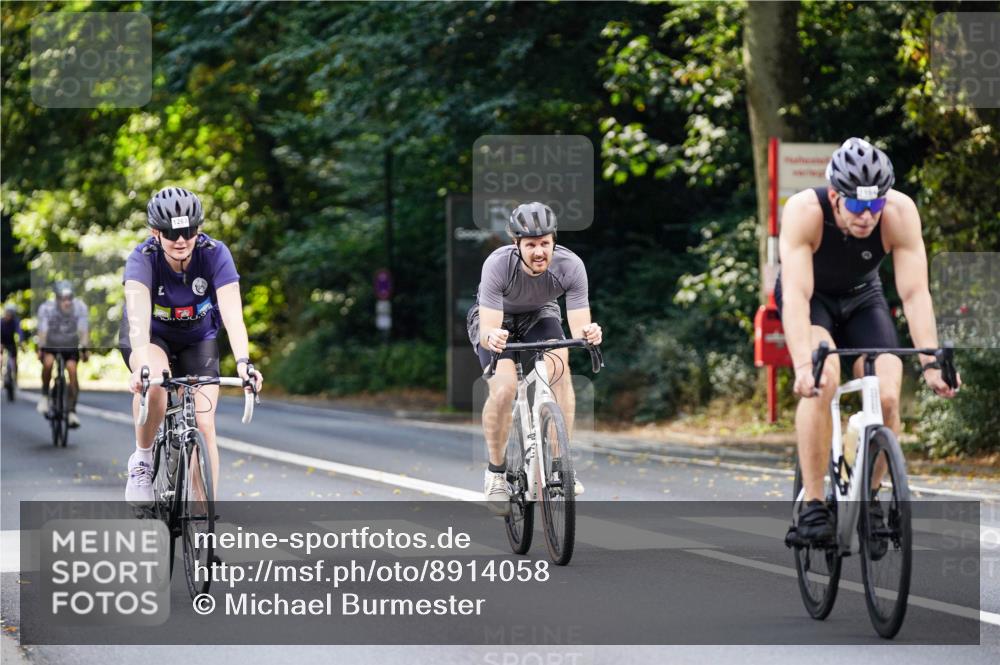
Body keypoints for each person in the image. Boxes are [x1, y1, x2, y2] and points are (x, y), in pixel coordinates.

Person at [777, 137, 960, 542]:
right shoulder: (805, 212)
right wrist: (804, 366)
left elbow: (915, 294)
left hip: (863, 299)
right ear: (835, 197)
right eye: (857, 206)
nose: (867, 216)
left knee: (888, 395)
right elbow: (796, 296)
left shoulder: (899, 212)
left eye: (875, 204)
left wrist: (931, 364)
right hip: (813, 301)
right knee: (823, 379)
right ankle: (813, 505)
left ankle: (871, 499)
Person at [120, 186, 263, 504]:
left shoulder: (214, 253)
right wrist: (142, 366)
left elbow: (233, 316)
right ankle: (142, 460)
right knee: (156, 385)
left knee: (204, 422)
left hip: (198, 338)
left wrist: (244, 363)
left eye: (189, 231)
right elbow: (138, 320)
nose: (181, 240)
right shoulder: (143, 259)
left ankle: (204, 517)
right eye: (172, 233)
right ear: (156, 232)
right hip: (152, 336)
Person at [467, 202, 602, 515]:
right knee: (504, 389)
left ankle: (560, 466)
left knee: (560, 368)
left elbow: (579, 327)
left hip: (540, 314)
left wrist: (589, 332)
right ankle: (496, 473)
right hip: (495, 318)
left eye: (544, 243)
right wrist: (493, 337)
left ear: (554, 241)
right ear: (517, 244)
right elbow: (488, 328)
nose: (539, 251)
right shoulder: (498, 264)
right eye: (530, 245)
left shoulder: (571, 265)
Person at [36, 281, 89, 427]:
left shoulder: (79, 307)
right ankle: (45, 396)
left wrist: (85, 349)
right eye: (63, 299)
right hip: (51, 342)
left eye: (69, 298)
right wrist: (41, 348)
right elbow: (43, 330)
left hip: (70, 343)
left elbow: (83, 330)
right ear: (57, 298)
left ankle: (71, 411)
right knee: (48, 363)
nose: (67, 302)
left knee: (72, 370)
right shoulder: (46, 308)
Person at [2, 303, 27, 386]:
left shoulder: (15, 321)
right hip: (2, 341)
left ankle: (15, 378)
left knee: (14, 359)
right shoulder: (1, 322)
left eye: (11, 313)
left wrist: (21, 342)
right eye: (7, 312)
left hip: (11, 342)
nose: (9, 315)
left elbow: (20, 332)